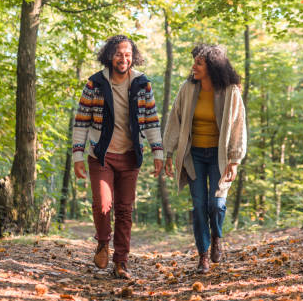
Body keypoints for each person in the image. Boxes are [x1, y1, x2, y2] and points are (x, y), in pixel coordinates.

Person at [72, 34, 164, 279]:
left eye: (128, 54)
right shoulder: (95, 84)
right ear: (110, 56)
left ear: (133, 57)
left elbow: (152, 120)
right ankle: (103, 242)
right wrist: (77, 156)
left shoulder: (142, 84)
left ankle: (121, 262)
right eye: (119, 54)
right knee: (103, 205)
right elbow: (81, 121)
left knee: (124, 210)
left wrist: (158, 152)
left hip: (130, 155)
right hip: (101, 155)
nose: (124, 59)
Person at [163, 44, 247, 273]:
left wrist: (235, 159)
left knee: (216, 204)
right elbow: (174, 120)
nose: (194, 66)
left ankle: (216, 237)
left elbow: (239, 126)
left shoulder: (230, 91)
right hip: (195, 156)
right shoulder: (187, 89)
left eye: (199, 63)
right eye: (195, 62)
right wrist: (168, 153)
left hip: (219, 157)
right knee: (199, 206)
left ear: (212, 66)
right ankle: (203, 256)